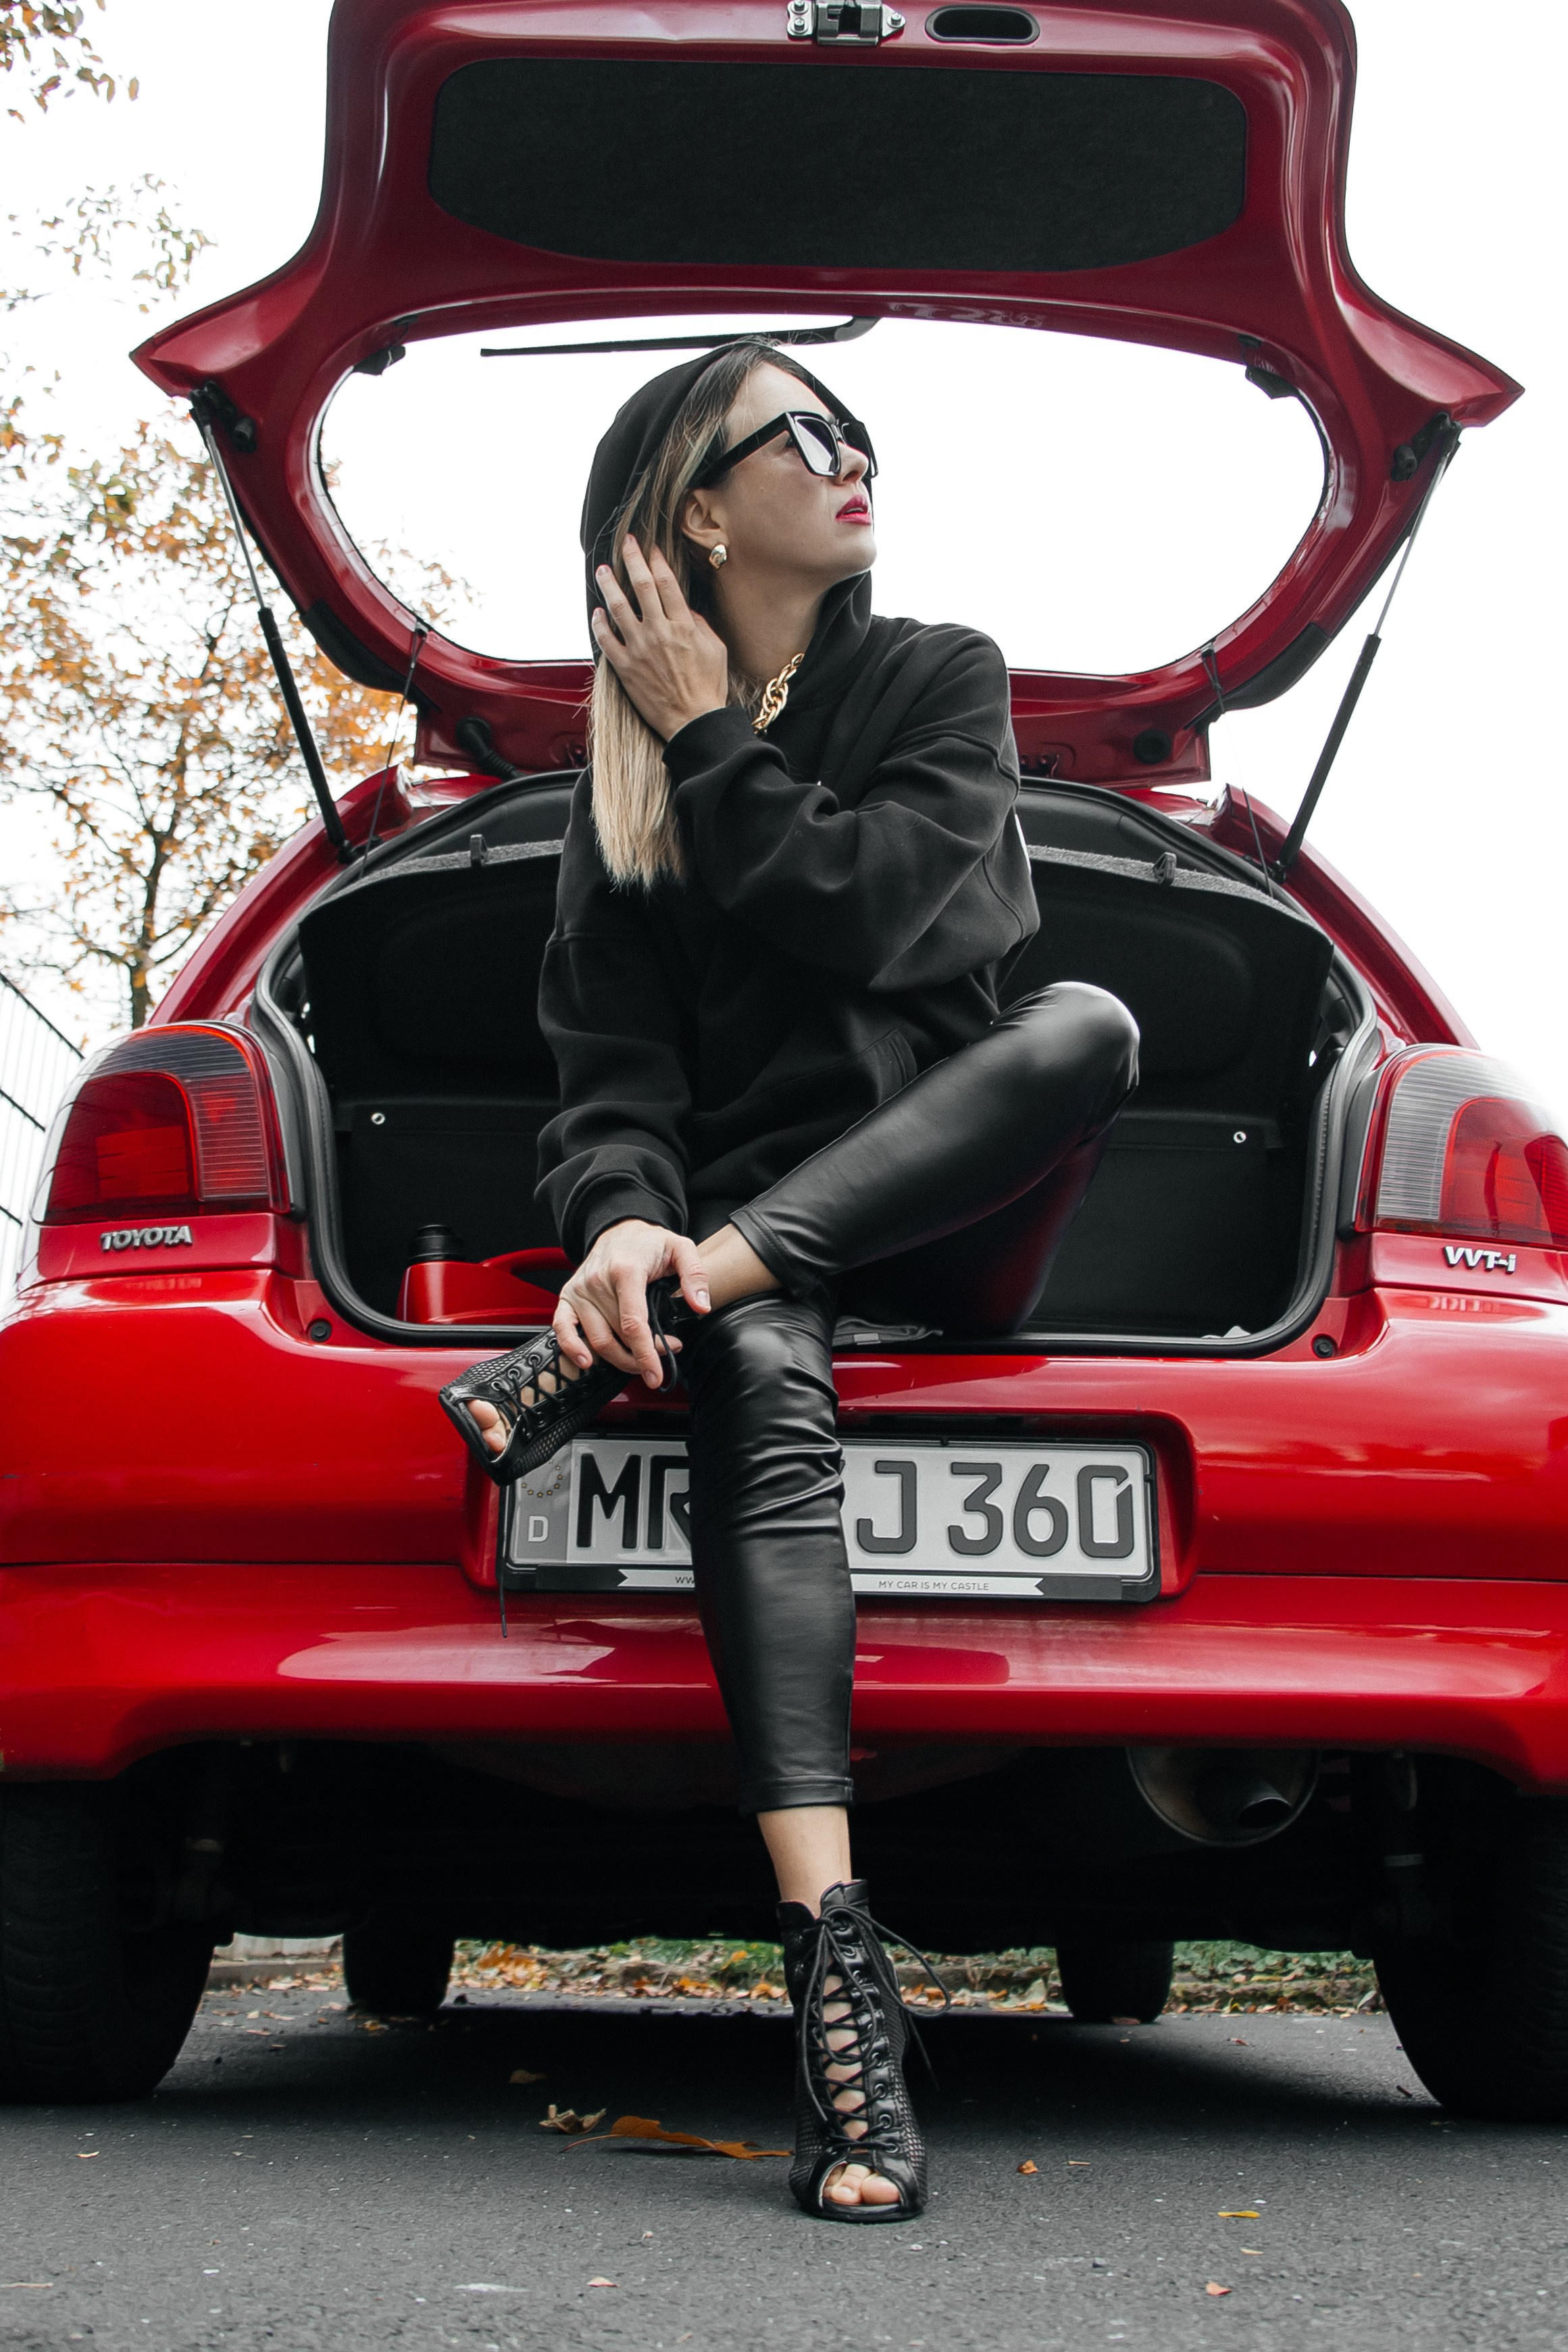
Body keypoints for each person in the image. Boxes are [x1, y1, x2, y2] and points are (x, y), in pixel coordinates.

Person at [440, 341, 1138, 2222]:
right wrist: (615, 1227)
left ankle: (682, 1304)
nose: (852, 458)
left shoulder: (935, 677)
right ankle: (836, 1963)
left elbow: (894, 908)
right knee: (747, 1355)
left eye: (856, 432)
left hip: (943, 1209)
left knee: (1082, 1019)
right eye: (801, 436)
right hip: (746, 1263)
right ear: (693, 502)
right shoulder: (616, 801)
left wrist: (709, 740)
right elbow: (610, 1079)